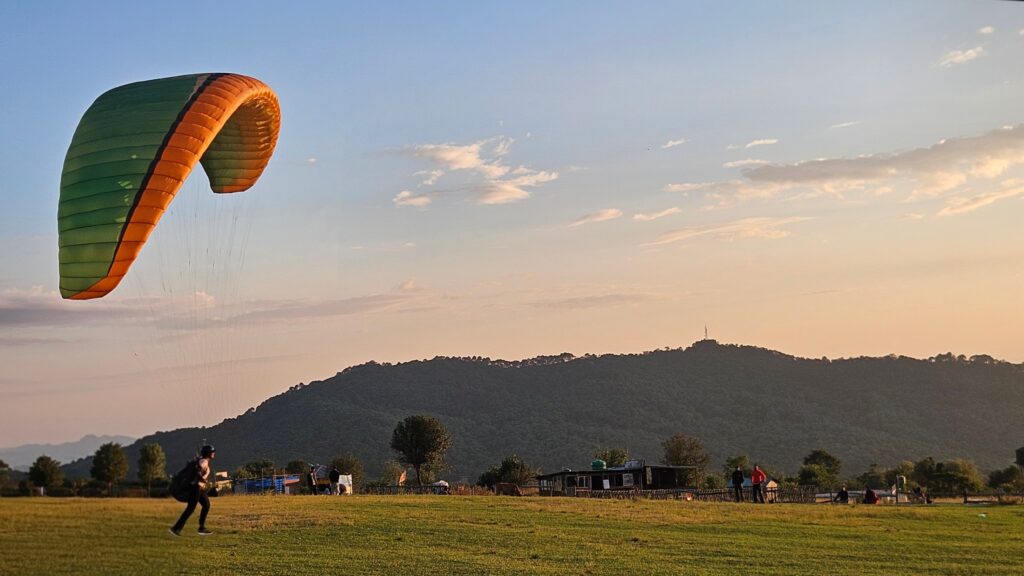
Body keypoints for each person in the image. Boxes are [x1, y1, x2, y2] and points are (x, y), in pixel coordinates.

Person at [170, 445, 215, 536]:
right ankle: (176, 528)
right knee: (191, 509)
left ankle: (201, 527)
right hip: (196, 488)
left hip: (199, 488)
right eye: (212, 452)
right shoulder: (204, 461)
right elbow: (197, 471)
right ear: (208, 453)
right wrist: (202, 479)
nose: (214, 453)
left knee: (206, 505)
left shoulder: (203, 460)